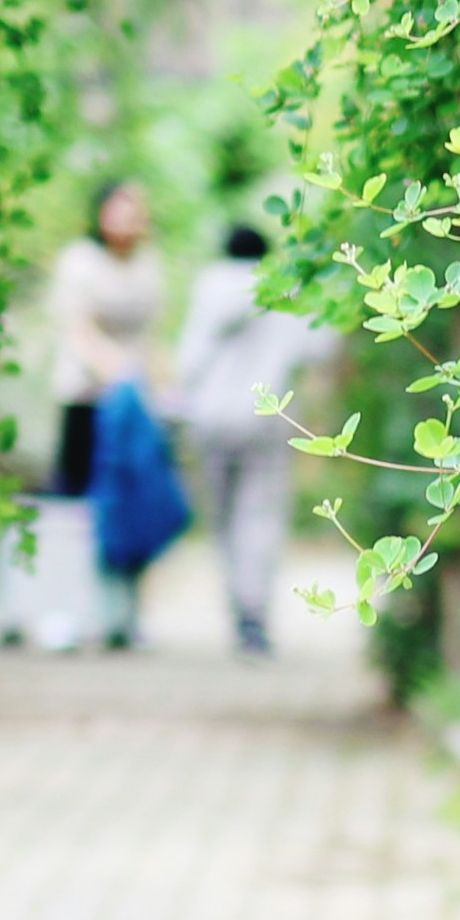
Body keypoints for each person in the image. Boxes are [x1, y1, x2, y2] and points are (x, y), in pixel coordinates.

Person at [173, 222, 338, 657]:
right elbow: (320, 346)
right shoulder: (284, 290)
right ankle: (254, 614)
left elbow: (189, 358)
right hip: (268, 415)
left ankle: (235, 604)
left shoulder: (210, 285)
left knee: (223, 516)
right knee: (260, 514)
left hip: (208, 418)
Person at [20, 181, 166, 651]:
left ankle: (122, 615)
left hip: (134, 407)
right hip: (86, 399)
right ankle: (61, 612)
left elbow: (153, 336)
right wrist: (120, 372)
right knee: (75, 506)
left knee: (134, 504)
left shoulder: (147, 266)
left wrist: (162, 385)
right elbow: (78, 331)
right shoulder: (80, 262)